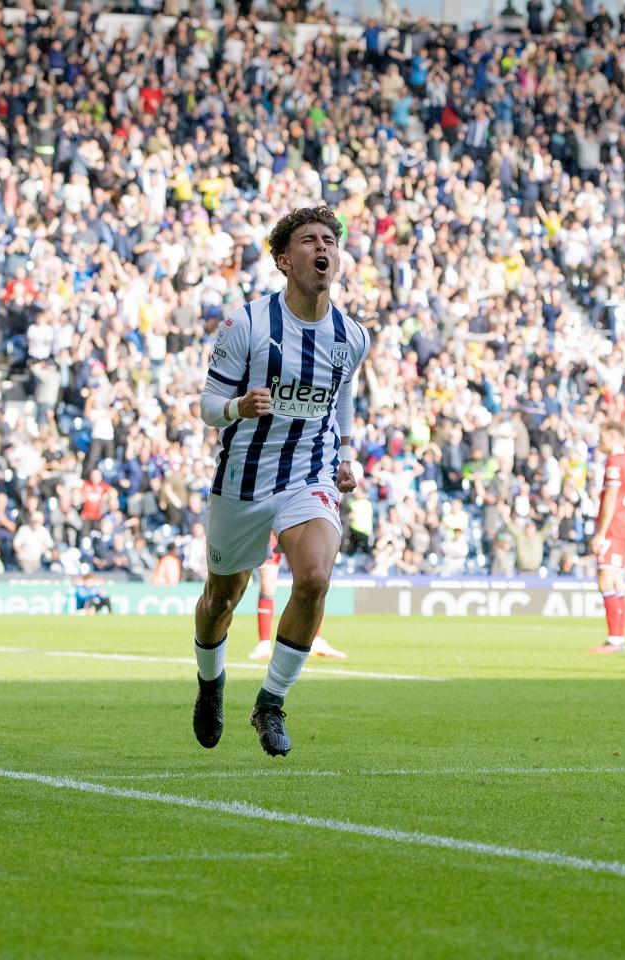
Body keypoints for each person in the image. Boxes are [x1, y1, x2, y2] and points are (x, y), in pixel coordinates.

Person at [193, 205, 370, 757]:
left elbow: (342, 401)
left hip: (308, 476)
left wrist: (344, 455)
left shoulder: (352, 335)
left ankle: (270, 703)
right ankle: (210, 683)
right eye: (310, 240)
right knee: (223, 597)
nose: (323, 248)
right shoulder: (247, 323)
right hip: (243, 481)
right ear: (284, 260)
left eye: (330, 241)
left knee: (315, 575)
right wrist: (238, 408)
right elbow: (207, 404)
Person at [249, 532, 345, 660]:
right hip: (270, 524)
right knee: (268, 579)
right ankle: (264, 644)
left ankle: (316, 640)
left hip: (293, 521)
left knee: (310, 576)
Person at [590, 419, 625, 654]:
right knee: (617, 582)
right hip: (623, 528)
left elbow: (610, 500)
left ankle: (615, 639)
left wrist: (600, 533)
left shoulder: (615, 462)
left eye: (604, 436)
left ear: (615, 438)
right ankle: (618, 637)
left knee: (605, 581)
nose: (600, 441)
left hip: (613, 528)